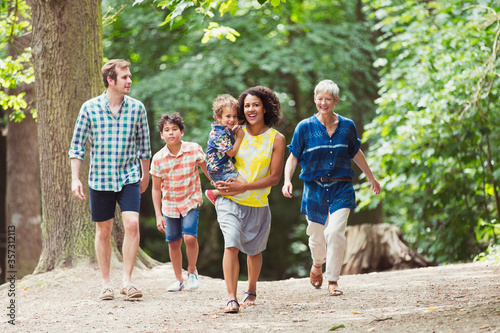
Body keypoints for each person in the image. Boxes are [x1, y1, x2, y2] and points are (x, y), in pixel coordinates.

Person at [282, 79, 381, 296]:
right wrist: (287, 180)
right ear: (315, 100)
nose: (323, 103)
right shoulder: (304, 128)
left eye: (328, 99)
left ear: (335, 100)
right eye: (320, 99)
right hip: (314, 189)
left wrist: (371, 178)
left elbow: (356, 152)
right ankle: (317, 264)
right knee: (316, 237)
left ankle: (333, 280)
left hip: (341, 188)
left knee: (335, 232)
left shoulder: (347, 126)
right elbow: (293, 157)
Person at [69, 59, 151, 301]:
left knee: (132, 225)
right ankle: (106, 284)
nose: (130, 81)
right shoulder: (89, 108)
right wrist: (75, 179)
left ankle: (127, 281)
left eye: (129, 76)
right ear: (110, 80)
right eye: (124, 77)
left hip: (129, 176)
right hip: (100, 178)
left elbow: (144, 147)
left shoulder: (137, 109)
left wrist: (144, 176)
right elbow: (77, 147)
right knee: (103, 231)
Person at [212, 86, 286, 313]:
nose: (251, 109)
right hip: (230, 200)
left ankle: (251, 290)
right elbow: (215, 155)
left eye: (256, 104)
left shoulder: (277, 139)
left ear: (265, 107)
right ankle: (231, 298)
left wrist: (246, 186)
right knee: (231, 244)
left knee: (254, 251)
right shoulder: (235, 131)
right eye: (247, 105)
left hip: (257, 204)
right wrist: (216, 181)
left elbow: (274, 178)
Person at [150, 112, 211, 292]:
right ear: (162, 135)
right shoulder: (158, 158)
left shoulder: (193, 149)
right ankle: (178, 279)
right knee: (173, 242)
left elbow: (207, 170)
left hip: (190, 201)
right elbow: (155, 189)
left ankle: (192, 271)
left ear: (181, 132)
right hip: (169, 205)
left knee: (190, 237)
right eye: (166, 130)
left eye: (174, 129)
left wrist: (219, 184)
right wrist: (158, 214)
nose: (171, 133)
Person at [205, 94, 246, 204]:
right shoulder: (219, 134)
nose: (232, 119)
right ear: (218, 117)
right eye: (228, 116)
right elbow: (231, 153)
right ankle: (214, 193)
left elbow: (227, 138)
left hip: (220, 167)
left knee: (242, 186)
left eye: (235, 116)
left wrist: (233, 131)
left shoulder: (224, 129)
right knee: (243, 186)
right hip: (219, 171)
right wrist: (240, 137)